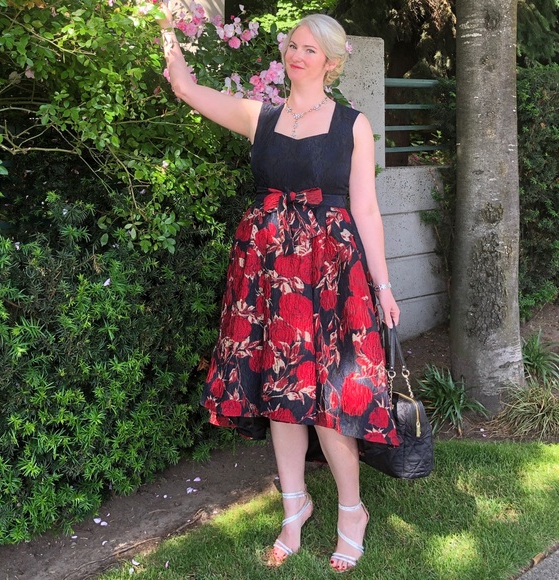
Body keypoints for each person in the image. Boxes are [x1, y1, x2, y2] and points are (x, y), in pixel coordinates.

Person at [158, 6, 401, 573]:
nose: (296, 55)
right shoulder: (260, 117)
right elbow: (187, 89)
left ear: (331, 63)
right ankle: (295, 509)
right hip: (266, 274)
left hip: (331, 279)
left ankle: (352, 513)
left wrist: (384, 285)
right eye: (292, 45)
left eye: (309, 49)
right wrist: (167, 29)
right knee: (281, 398)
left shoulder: (352, 125)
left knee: (332, 400)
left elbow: (366, 209)